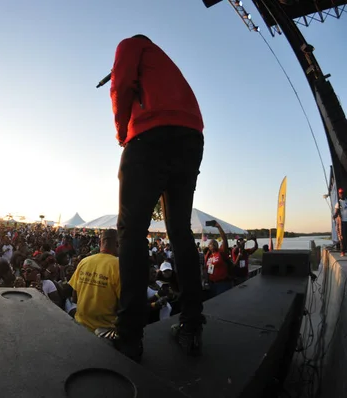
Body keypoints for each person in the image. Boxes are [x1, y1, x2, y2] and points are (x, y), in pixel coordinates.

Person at [109, 34, 205, 361]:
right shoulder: (164, 64)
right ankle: (192, 324)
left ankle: (129, 336)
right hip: (191, 136)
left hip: (150, 136)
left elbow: (119, 84)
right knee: (179, 230)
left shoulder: (130, 44)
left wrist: (123, 133)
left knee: (132, 230)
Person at [68, 229, 121, 333]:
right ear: (118, 244)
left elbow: (74, 297)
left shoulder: (84, 261)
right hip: (104, 331)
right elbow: (123, 304)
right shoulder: (119, 266)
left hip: (80, 326)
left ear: (100, 242)